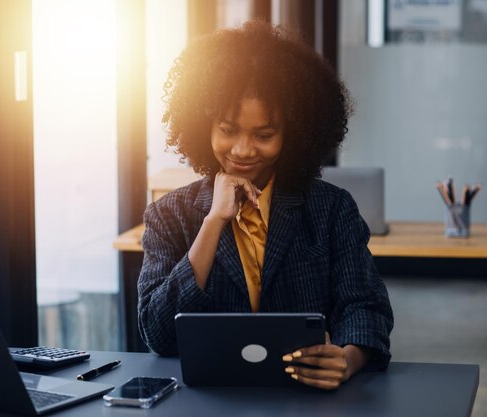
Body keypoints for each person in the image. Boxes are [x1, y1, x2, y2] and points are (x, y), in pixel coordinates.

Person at [138, 20, 393, 391]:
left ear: (294, 133)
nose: (242, 150)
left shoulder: (331, 209)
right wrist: (213, 222)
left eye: (263, 135)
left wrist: (349, 359)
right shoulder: (170, 214)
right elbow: (157, 331)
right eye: (227, 130)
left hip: (307, 398)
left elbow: (366, 307)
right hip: (208, 402)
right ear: (202, 124)